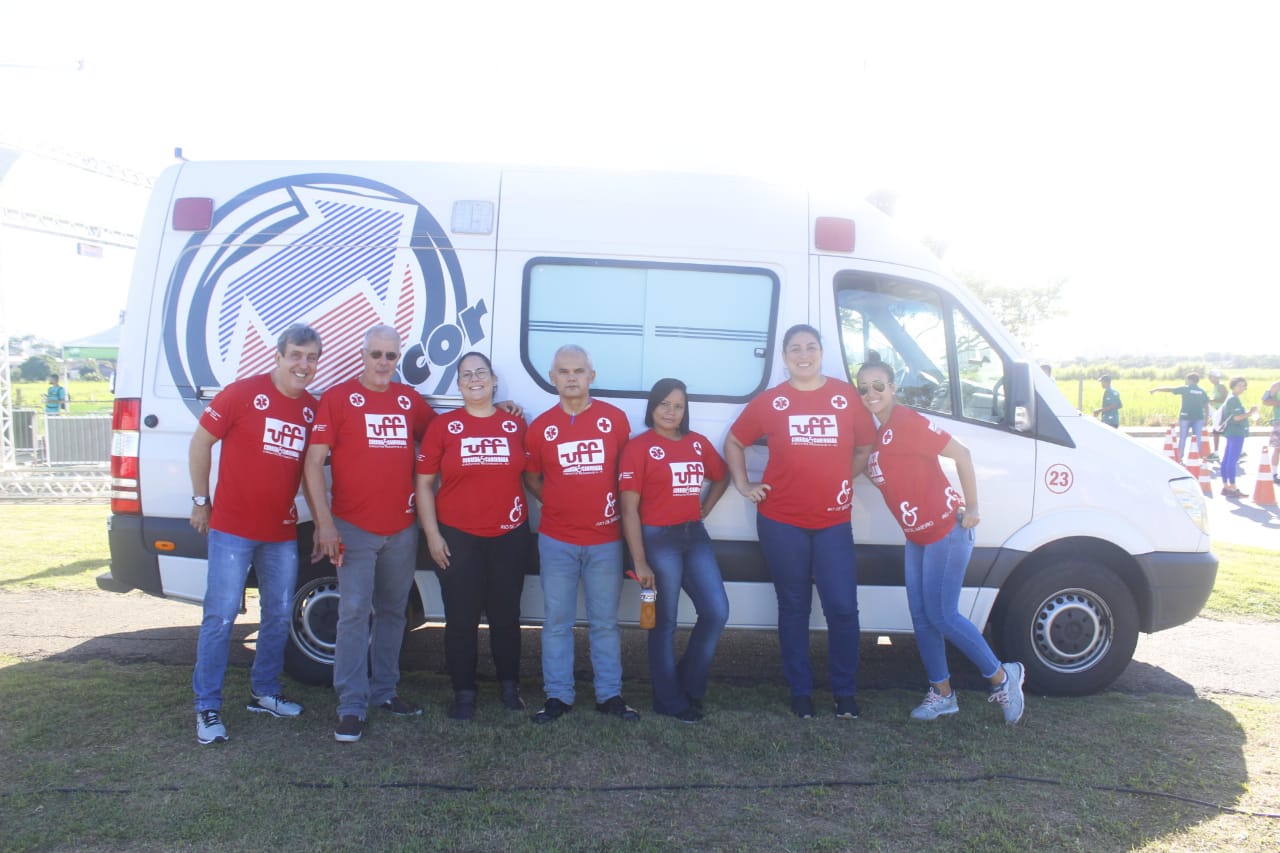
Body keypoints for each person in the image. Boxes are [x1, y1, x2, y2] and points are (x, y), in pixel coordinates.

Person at [854, 355, 1026, 724]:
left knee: (943, 614)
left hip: (947, 530)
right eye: (863, 388)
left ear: (893, 388)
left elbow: (961, 454)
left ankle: (1002, 677)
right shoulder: (877, 434)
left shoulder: (907, 421)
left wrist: (974, 507)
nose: (871, 393)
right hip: (917, 536)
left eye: (878, 386)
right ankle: (942, 693)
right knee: (921, 617)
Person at [724, 324, 875, 720]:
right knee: (794, 606)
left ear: (822, 352)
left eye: (810, 347)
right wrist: (743, 484)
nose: (803, 354)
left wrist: (843, 476)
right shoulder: (771, 402)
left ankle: (844, 692)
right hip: (781, 521)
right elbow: (735, 441)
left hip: (832, 522)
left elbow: (864, 447)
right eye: (795, 348)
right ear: (784, 356)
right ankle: (801, 692)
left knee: (842, 607)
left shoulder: (844, 396)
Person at [188, 324, 322, 745]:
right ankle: (207, 707)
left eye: (311, 357)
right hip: (231, 529)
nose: (303, 365)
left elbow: (310, 471)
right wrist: (199, 500)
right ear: (278, 356)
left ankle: (264, 692)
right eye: (296, 355)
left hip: (280, 531)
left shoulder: (312, 409)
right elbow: (200, 443)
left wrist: (322, 521)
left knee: (279, 615)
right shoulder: (242, 393)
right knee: (221, 617)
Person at [304, 325, 435, 743]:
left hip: (401, 528)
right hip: (353, 528)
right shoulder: (338, 399)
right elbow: (312, 464)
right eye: (376, 354)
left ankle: (385, 692)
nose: (383, 363)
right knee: (354, 613)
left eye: (390, 356)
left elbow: (445, 435)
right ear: (363, 355)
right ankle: (351, 705)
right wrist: (323, 522)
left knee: (394, 612)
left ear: (399, 359)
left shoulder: (408, 401)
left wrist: (500, 408)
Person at [523, 344, 639, 723]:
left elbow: (627, 477)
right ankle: (558, 696)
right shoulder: (541, 427)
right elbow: (533, 477)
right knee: (557, 622)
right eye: (563, 371)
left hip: (605, 540)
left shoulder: (615, 420)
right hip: (557, 539)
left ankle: (610, 695)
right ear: (552, 377)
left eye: (578, 371)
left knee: (605, 622)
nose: (571, 377)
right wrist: (555, 502)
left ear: (592, 375)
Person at [415, 352, 532, 720]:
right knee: (461, 619)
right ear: (459, 384)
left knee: (506, 617)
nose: (474, 379)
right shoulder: (443, 427)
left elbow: (532, 473)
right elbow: (423, 484)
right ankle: (464, 692)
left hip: (509, 535)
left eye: (481, 372)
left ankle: (510, 688)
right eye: (466, 375)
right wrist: (432, 536)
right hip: (457, 537)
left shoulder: (516, 425)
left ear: (494, 380)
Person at [619, 378, 730, 723]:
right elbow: (629, 510)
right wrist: (639, 561)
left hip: (693, 534)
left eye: (678, 406)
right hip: (657, 539)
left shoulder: (697, 444)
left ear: (685, 411)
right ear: (652, 407)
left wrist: (705, 509)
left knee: (716, 611)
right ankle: (668, 699)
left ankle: (689, 686)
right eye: (664, 404)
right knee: (664, 622)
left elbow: (721, 475)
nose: (671, 411)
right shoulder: (638, 448)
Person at [1150, 372, 1211, 460]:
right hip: (1199, 418)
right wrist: (1206, 419)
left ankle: (1179, 457)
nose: (1185, 381)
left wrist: (1156, 389)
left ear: (1191, 380)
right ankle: (1196, 458)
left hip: (1185, 418)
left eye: (1186, 379)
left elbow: (1169, 389)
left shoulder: (1185, 389)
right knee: (1198, 438)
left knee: (1183, 437)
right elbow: (1206, 406)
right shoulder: (1202, 391)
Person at [1218, 377, 1258, 498]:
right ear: (1233, 386)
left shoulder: (1231, 398)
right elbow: (1236, 417)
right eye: (1239, 385)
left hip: (1232, 432)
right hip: (1236, 432)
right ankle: (1233, 488)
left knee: (1226, 460)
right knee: (1231, 460)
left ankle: (1226, 486)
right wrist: (1250, 412)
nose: (1242, 388)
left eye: (1243, 385)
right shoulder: (1234, 400)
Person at [1207, 370, 1228, 460]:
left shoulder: (1221, 386)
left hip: (1222, 412)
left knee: (1221, 432)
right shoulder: (1216, 387)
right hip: (1218, 412)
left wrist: (1211, 401)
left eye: (1214, 377)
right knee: (1217, 432)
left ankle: (1240, 451)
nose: (1212, 379)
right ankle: (1216, 453)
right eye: (1211, 377)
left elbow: (1225, 399)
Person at [1264, 381, 1280, 485]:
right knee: (1277, 447)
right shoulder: (1276, 385)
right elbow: (1265, 401)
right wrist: (1278, 403)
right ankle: (1273, 473)